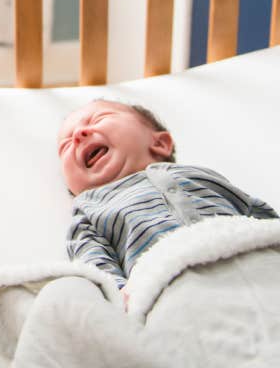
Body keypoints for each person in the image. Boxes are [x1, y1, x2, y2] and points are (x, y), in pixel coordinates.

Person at [57, 99, 278, 289]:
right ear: (74, 190)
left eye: (98, 119)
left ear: (160, 143)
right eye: (65, 146)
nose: (78, 134)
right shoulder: (90, 208)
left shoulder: (198, 174)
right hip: (169, 284)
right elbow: (93, 266)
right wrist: (119, 297)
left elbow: (254, 214)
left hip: (252, 261)